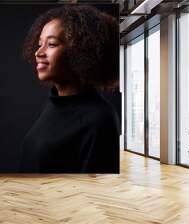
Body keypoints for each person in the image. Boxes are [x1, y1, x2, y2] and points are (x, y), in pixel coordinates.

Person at [19, 5, 120, 173]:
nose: (38, 52)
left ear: (80, 52)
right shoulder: (55, 103)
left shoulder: (100, 119)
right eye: (39, 44)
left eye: (51, 44)